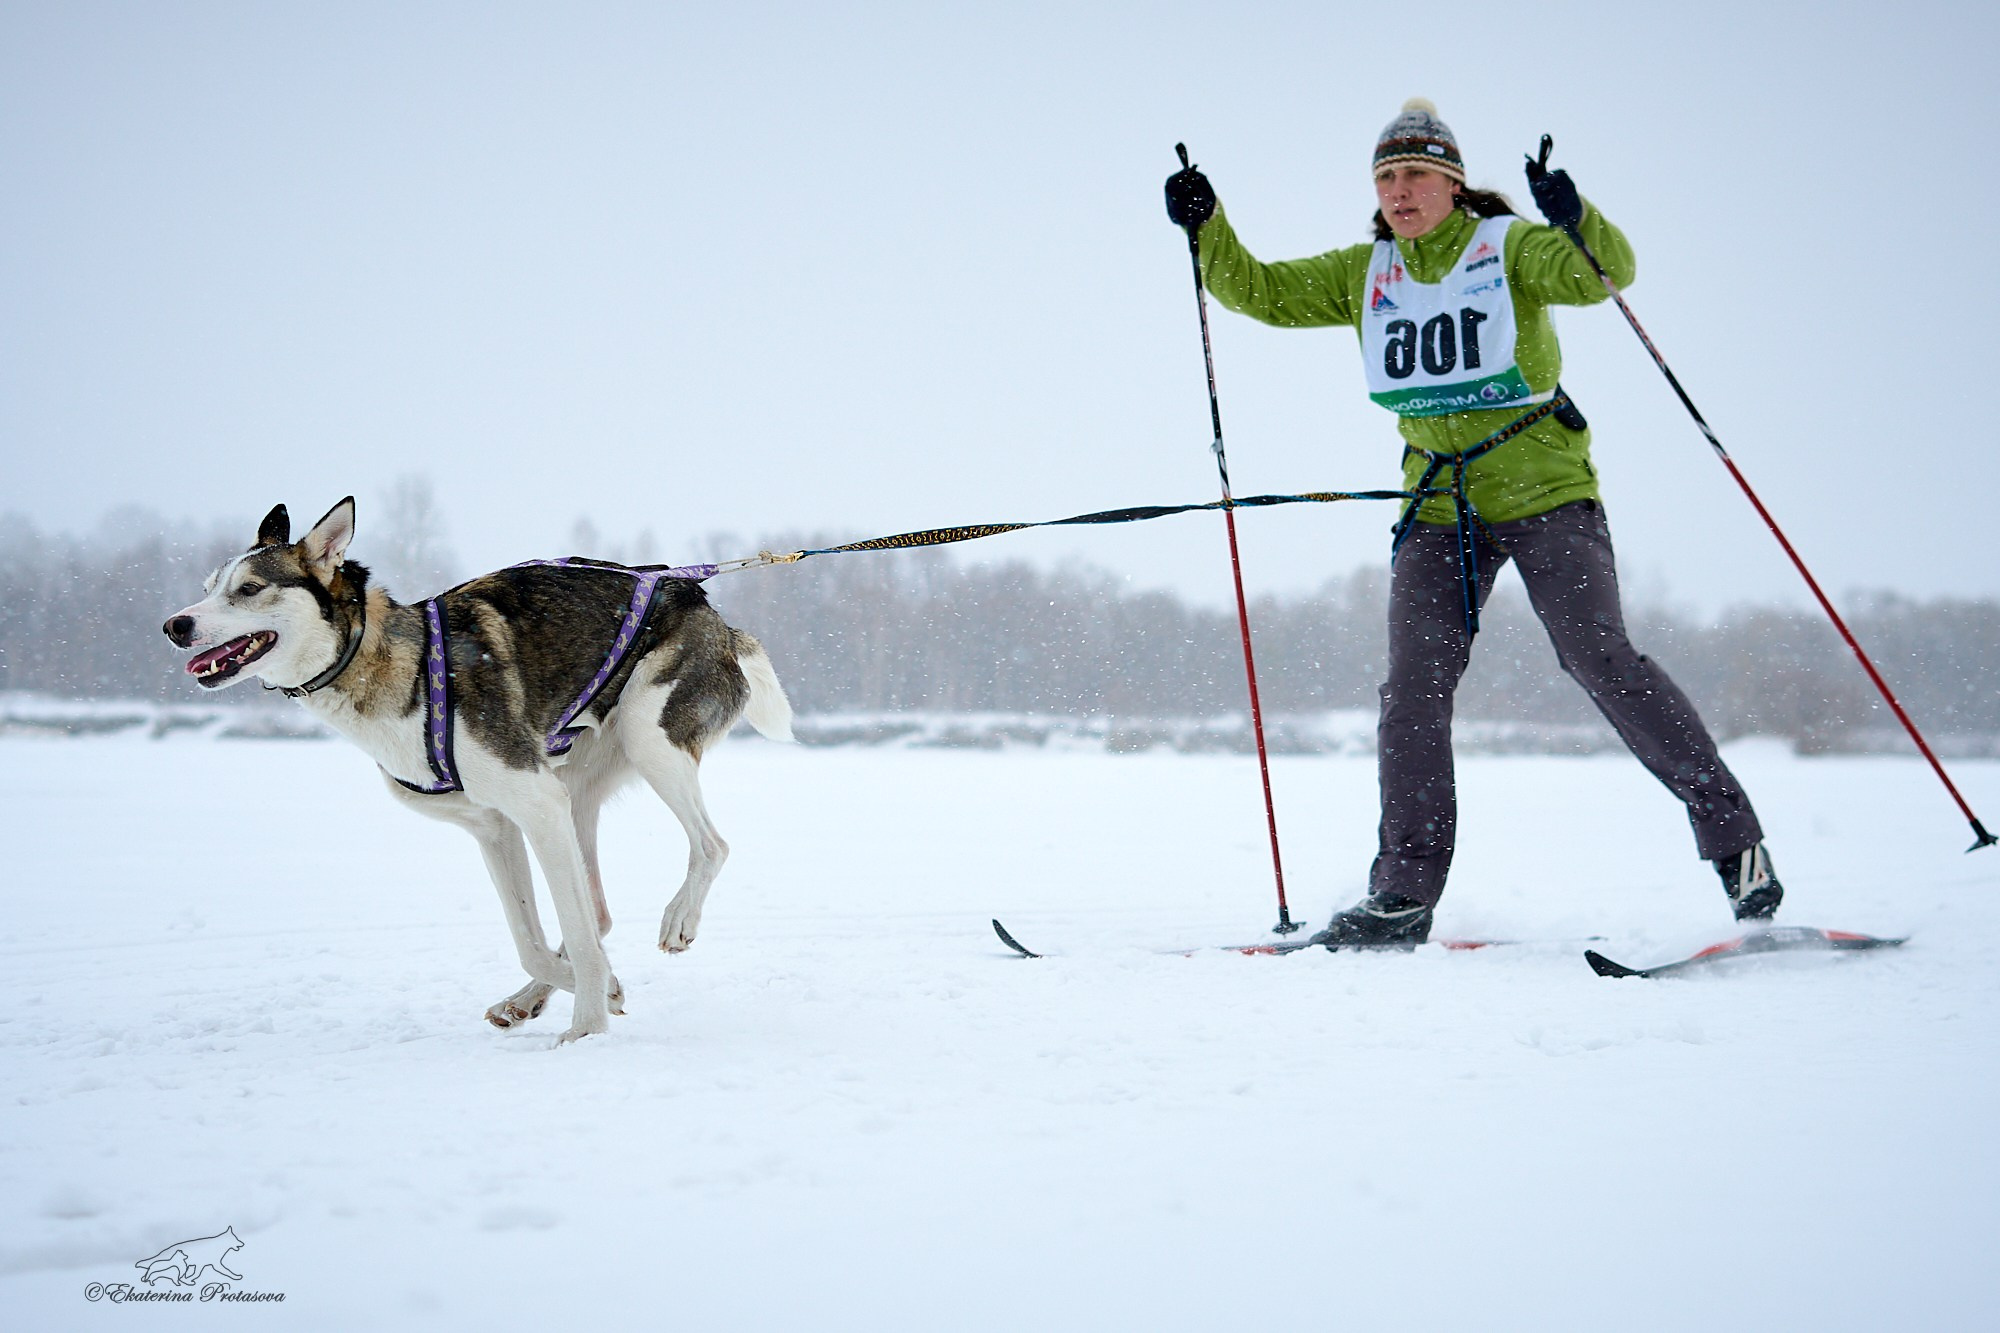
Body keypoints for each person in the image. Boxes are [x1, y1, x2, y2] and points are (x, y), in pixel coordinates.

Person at [1163, 99, 1781, 949]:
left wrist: (1574, 217)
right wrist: (1208, 227)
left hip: (1546, 494)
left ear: (1453, 183)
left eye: (1416, 174)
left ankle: (1737, 845)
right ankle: (1402, 894)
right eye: (1386, 177)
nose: (1399, 190)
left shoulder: (1509, 248)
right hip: (1437, 509)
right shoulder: (1364, 272)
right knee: (1412, 690)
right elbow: (1257, 292)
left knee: (1599, 659)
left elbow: (1603, 274)